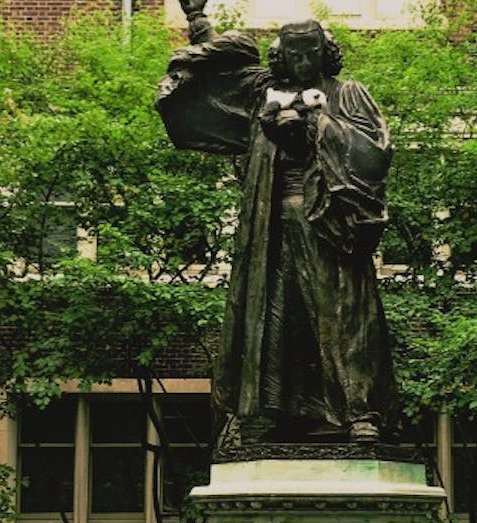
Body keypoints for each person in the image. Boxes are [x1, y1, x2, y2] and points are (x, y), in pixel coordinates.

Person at [156, 2, 397, 444]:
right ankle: (271, 410)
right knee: (271, 315)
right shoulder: (265, 92)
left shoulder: (348, 94)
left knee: (337, 314)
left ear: (326, 53)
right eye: (294, 54)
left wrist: (314, 124)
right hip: (270, 219)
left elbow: (373, 151)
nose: (303, 62)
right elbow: (221, 75)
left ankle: (357, 411)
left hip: (328, 222)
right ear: (280, 56)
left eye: (311, 52)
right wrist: (197, 19)